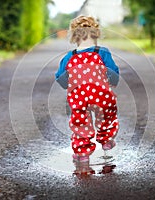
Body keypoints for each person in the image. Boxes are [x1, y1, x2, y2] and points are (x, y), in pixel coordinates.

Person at [55, 16, 119, 163]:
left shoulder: (69, 57)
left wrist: (68, 85)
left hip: (80, 98)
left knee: (80, 123)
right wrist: (112, 83)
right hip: (101, 95)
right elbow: (113, 72)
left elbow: (60, 78)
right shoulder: (103, 52)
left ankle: (83, 154)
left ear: (74, 37)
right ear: (96, 34)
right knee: (106, 116)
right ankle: (106, 140)